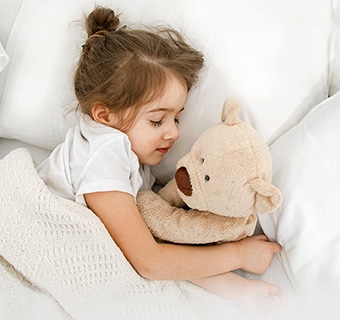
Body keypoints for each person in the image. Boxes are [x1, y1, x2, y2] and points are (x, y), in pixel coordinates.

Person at [38, 6, 285, 310]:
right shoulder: (104, 152)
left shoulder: (127, 153)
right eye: (157, 121)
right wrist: (237, 255)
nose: (173, 134)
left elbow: (151, 244)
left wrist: (238, 288)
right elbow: (149, 261)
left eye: (177, 119)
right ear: (105, 115)